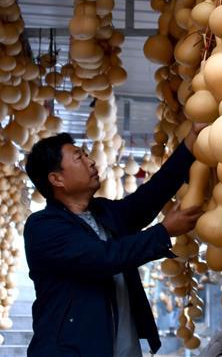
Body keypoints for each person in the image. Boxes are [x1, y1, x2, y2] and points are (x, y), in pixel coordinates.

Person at [23, 129, 204, 356]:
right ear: (56, 179)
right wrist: (163, 232)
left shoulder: (102, 212)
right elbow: (102, 258)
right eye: (79, 157)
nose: (90, 161)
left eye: (86, 155)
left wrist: (188, 146)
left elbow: (148, 198)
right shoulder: (43, 227)